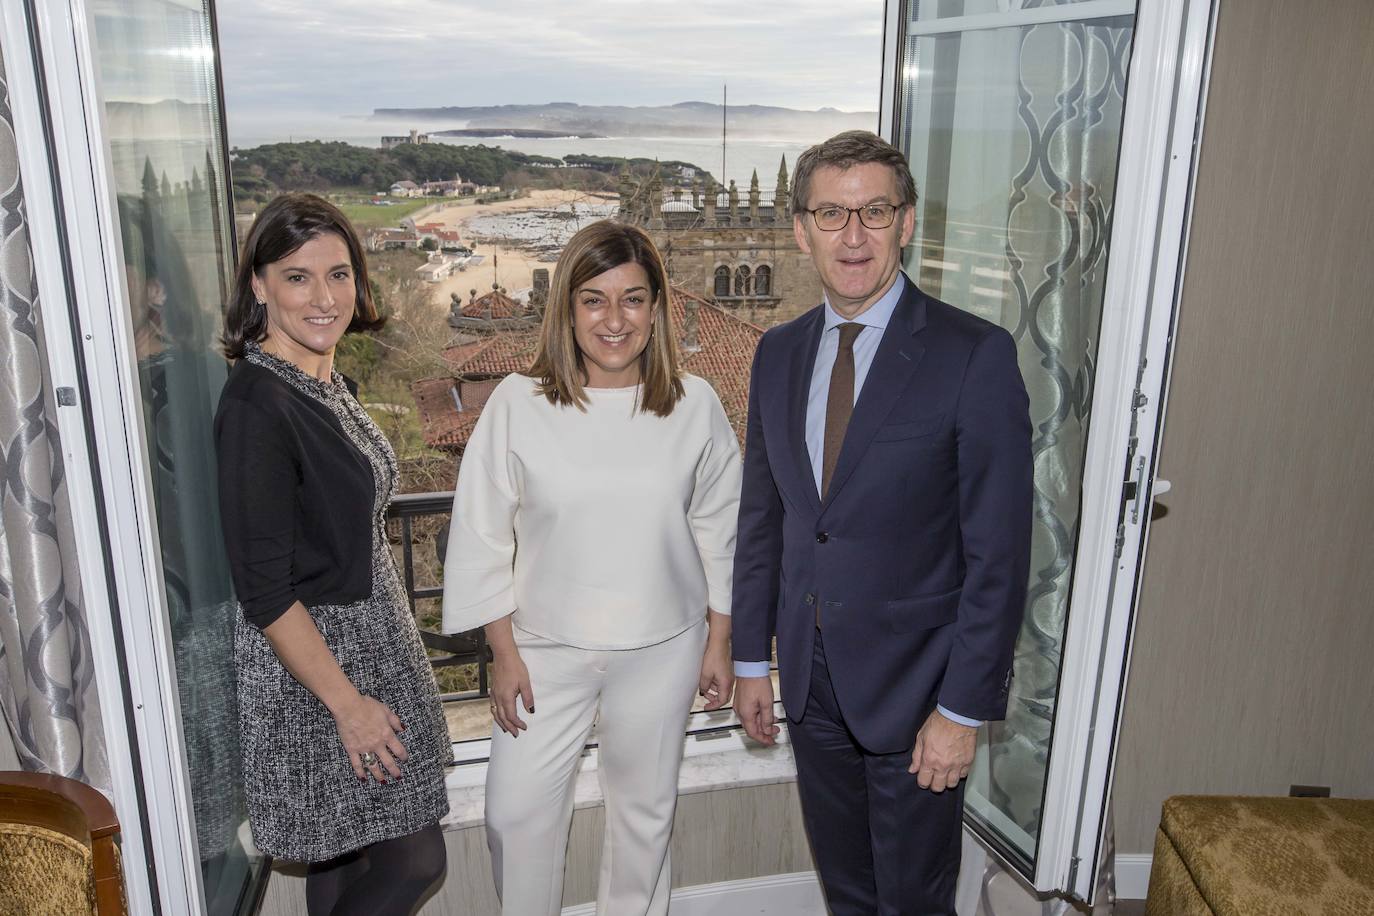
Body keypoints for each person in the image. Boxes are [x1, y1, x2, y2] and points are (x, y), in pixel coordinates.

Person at [731, 131, 1033, 914]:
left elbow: (998, 555)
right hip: (809, 683)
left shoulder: (974, 356)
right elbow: (764, 518)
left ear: (906, 222)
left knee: (912, 901)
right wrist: (752, 663)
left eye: (874, 210)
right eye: (832, 213)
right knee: (850, 893)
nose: (853, 235)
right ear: (801, 230)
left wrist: (961, 712)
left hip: (920, 692)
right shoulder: (778, 353)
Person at [441, 220, 741, 916]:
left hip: (664, 648)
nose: (614, 320)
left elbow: (722, 532)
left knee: (645, 823)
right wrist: (503, 653)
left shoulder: (694, 407)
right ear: (567, 309)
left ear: (657, 308)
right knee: (515, 819)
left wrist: (720, 641)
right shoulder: (519, 404)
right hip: (543, 653)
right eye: (594, 300)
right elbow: (483, 533)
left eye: (633, 299)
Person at [215, 192, 451, 916]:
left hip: (368, 642)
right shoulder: (259, 407)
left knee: (345, 853)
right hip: (318, 669)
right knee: (415, 861)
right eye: (298, 276)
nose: (325, 297)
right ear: (258, 285)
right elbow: (265, 593)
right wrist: (347, 706)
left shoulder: (321, 383)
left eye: (340, 274)